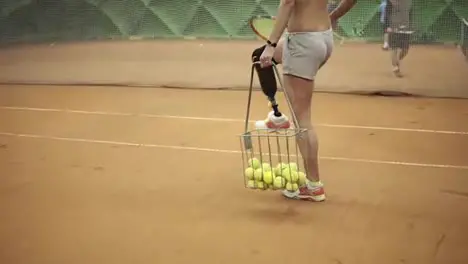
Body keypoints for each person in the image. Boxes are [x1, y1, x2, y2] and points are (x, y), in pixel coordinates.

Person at [250, 0, 357, 202]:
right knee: (259, 56)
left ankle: (313, 185)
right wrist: (333, 16)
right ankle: (277, 116)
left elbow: (289, 3)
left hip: (303, 42)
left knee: (302, 120)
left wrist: (271, 45)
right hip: (322, 38)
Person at [387, 0, 413, 77]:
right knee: (394, 49)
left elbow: (410, 13)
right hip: (393, 27)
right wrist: (387, 26)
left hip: (405, 27)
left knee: (405, 50)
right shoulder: (390, 1)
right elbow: (387, 13)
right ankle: (396, 68)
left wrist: (410, 25)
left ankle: (396, 62)